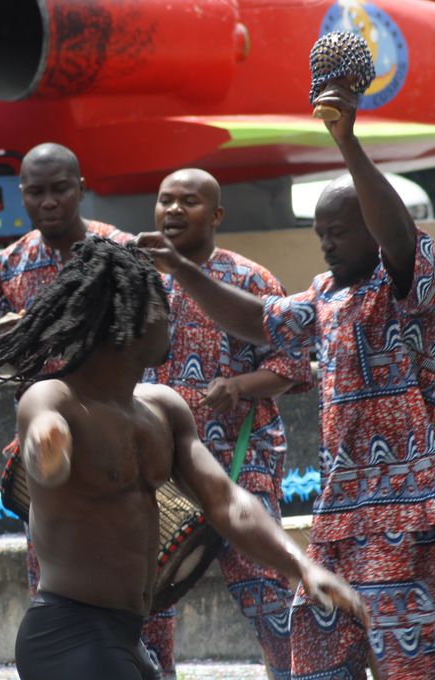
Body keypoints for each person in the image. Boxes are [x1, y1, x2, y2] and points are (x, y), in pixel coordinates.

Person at [138, 81, 435, 679]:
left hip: (401, 509)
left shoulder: (416, 288)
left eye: (338, 232)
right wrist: (183, 269)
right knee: (313, 656)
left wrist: (347, 141)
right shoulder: (325, 293)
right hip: (338, 511)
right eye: (320, 234)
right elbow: (258, 321)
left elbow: (399, 236)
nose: (327, 244)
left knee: (410, 666)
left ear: (371, 226)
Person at [0, 236, 368, 680]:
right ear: (126, 318)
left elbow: (226, 501)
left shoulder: (162, 408)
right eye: (162, 305)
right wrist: (47, 450)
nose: (173, 316)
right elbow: (43, 442)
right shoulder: (57, 398)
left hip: (127, 636)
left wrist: (302, 567)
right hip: (69, 634)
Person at [0, 143, 177, 676]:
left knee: (147, 604)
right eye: (36, 192)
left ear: (81, 185)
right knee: (62, 586)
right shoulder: (7, 266)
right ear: (21, 194)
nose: (48, 201)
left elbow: (149, 340)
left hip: (123, 441)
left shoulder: (122, 251)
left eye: (60, 188)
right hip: (54, 456)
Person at [145, 168, 312, 678]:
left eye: (189, 202)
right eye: (165, 201)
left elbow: (294, 365)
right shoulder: (140, 280)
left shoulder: (250, 278)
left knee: (269, 601)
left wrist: (239, 386)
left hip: (242, 468)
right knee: (150, 610)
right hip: (161, 473)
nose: (174, 211)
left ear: (216, 215)